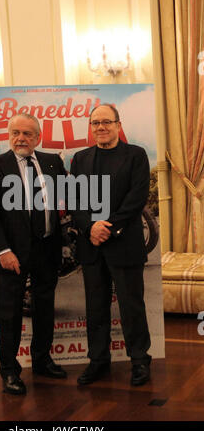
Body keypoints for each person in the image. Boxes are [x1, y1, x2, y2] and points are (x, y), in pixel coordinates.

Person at [0, 113, 67, 395]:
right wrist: (2, 250)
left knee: (44, 308)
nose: (21, 138)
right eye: (15, 132)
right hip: (12, 253)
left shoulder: (53, 162)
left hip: (46, 248)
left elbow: (66, 199)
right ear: (8, 135)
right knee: (9, 313)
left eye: (27, 133)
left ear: (37, 137)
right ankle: (9, 371)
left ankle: (42, 360)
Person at [70, 103, 152, 387]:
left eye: (107, 122)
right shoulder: (80, 159)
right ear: (90, 128)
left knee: (132, 306)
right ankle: (98, 361)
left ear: (118, 124)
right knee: (96, 307)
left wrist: (109, 227)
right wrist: (90, 227)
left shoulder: (136, 155)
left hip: (124, 244)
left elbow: (137, 197)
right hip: (92, 245)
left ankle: (140, 360)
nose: (101, 127)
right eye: (95, 123)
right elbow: (75, 200)